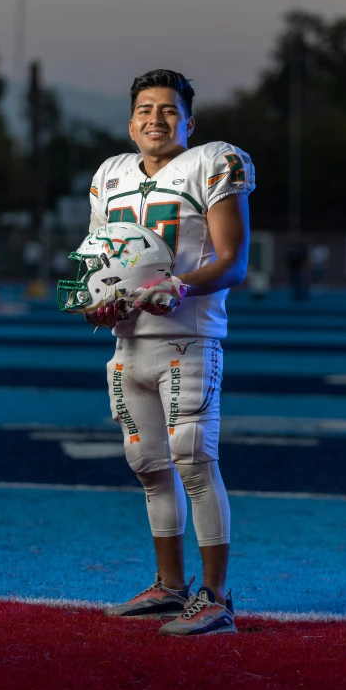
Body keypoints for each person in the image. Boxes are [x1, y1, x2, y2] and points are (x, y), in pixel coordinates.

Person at [85, 69, 255, 636]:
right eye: (145, 109)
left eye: (168, 109)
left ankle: (216, 596)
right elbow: (100, 270)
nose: (155, 119)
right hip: (128, 347)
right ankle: (168, 586)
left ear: (188, 120)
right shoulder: (109, 176)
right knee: (149, 467)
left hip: (188, 339)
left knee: (194, 461)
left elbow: (232, 261)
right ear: (130, 120)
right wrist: (98, 304)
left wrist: (179, 286)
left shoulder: (212, 163)